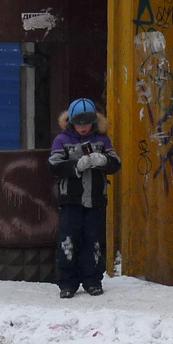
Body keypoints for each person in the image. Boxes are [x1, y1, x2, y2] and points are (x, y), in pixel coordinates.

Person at [47, 98, 121, 298]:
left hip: (96, 200)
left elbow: (116, 164)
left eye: (87, 124)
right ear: (71, 122)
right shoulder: (62, 140)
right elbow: (53, 166)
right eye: (79, 124)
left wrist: (104, 160)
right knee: (68, 241)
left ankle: (92, 280)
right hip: (70, 199)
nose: (83, 128)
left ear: (94, 122)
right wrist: (75, 167)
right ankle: (67, 283)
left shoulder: (103, 140)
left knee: (93, 240)